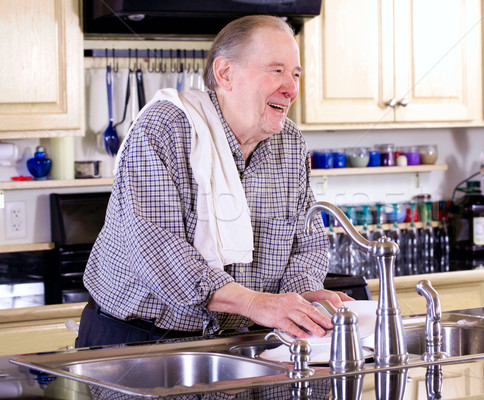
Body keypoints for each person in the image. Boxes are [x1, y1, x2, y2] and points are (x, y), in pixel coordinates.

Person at [75, 15, 352, 348]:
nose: (291, 89)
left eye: (295, 75)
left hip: (238, 338)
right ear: (225, 73)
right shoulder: (164, 127)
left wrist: (302, 293)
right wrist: (255, 303)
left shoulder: (290, 143)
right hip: (134, 339)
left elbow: (306, 241)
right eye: (276, 71)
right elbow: (158, 251)